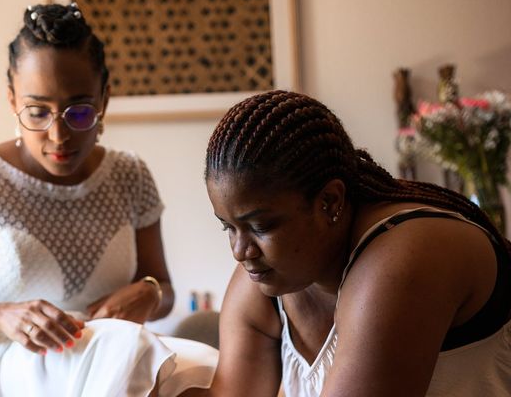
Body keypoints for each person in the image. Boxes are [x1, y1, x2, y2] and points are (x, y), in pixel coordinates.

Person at [0, 3, 217, 396]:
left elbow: (163, 290)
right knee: (133, 350)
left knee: (208, 368)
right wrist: (2, 317)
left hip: (104, 356)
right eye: (37, 111)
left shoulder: (130, 176)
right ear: (12, 100)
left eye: (78, 112)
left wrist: (149, 292)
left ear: (105, 100)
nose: (58, 134)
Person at [183, 90, 511, 396]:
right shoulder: (268, 279)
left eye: (261, 226)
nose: (241, 252)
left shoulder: (405, 256)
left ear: (329, 201)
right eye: (228, 227)